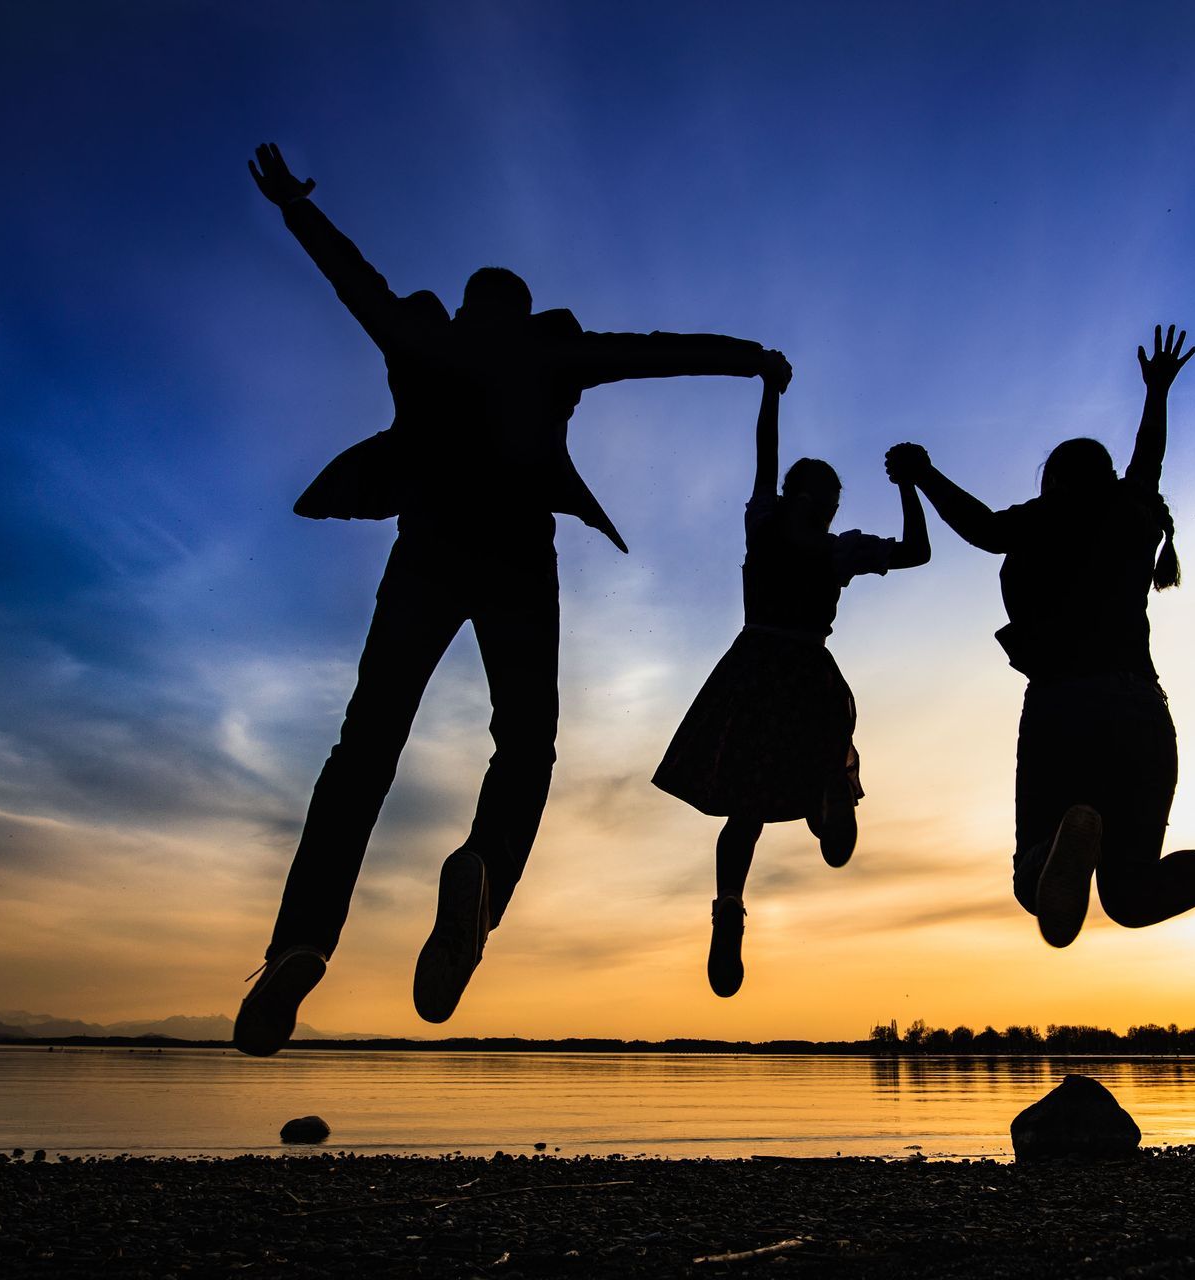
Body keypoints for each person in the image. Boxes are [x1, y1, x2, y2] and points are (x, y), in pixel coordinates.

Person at [236, 144, 792, 1055]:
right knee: (526, 745)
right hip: (518, 563)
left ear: (466, 305)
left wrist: (296, 205)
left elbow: (352, 278)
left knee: (365, 746)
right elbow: (658, 352)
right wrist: (753, 360)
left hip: (426, 553)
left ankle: (301, 943)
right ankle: (484, 872)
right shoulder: (552, 353)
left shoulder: (425, 337)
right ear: (525, 312)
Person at [884, 325, 1195, 951]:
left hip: (1064, 708)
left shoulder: (1048, 515)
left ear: (1054, 480)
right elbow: (1148, 461)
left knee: (1032, 878)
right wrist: (1157, 392)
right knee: (1130, 895)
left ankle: (1069, 834)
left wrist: (923, 473)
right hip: (1141, 714)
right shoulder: (1133, 511)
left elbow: (983, 528)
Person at [653, 373, 930, 996]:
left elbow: (914, 551)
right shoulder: (813, 540)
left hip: (762, 668)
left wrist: (771, 391)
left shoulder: (781, 529)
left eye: (829, 503)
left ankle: (739, 896)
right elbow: (917, 550)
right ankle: (820, 811)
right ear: (805, 497)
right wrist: (907, 485)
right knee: (774, 790)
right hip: (796, 670)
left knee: (748, 807)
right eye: (824, 499)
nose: (826, 509)